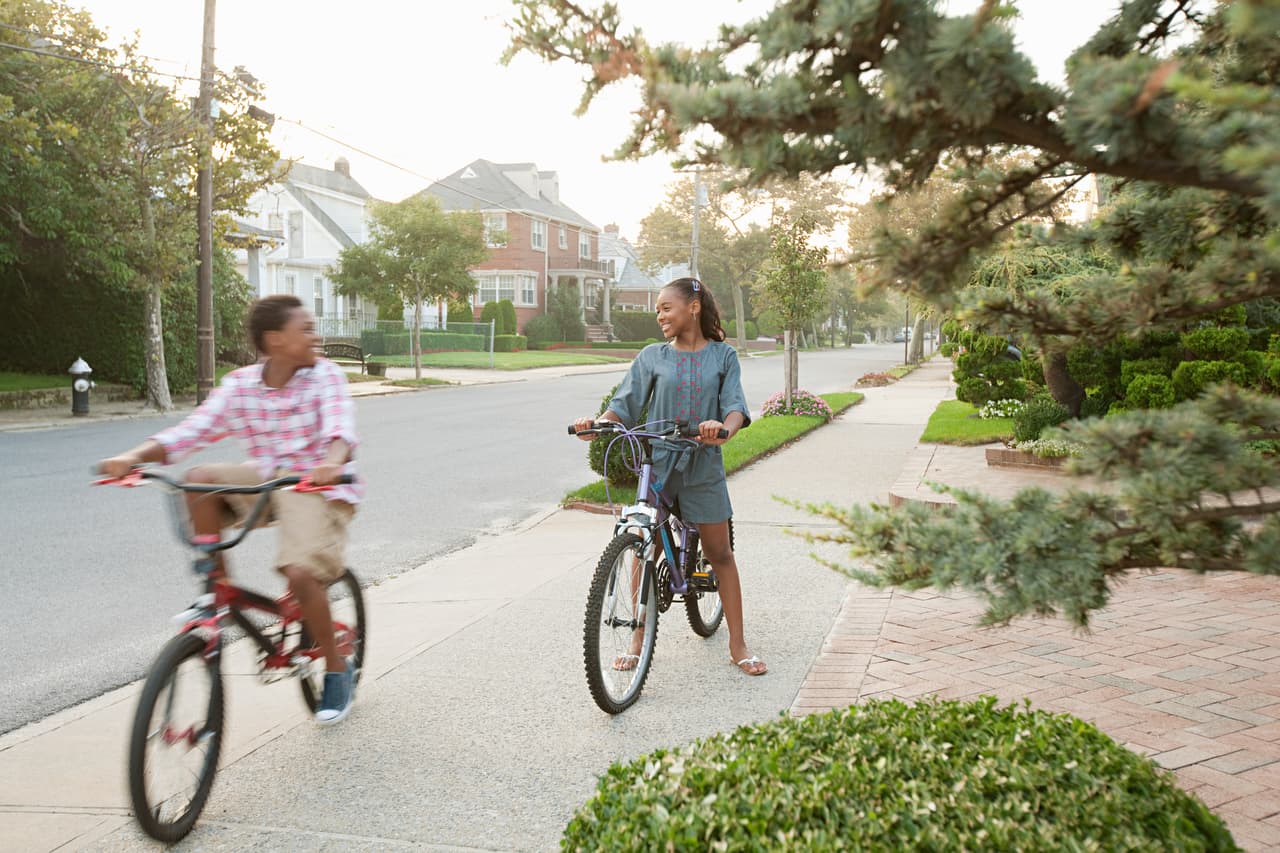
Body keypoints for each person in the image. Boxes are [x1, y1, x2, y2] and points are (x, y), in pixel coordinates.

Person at [98, 294, 363, 723]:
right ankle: (216, 589)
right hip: (267, 479)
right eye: (306, 329)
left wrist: (332, 462)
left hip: (314, 484)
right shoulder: (241, 386)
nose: (316, 336)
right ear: (275, 341)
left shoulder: (325, 376)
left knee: (300, 572)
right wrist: (133, 457)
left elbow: (340, 429)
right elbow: (192, 431)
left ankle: (336, 669)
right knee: (199, 478)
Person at [574, 277, 767, 676]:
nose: (660, 316)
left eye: (666, 308)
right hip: (658, 465)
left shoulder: (723, 356)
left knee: (719, 554)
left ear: (692, 308)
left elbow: (735, 406)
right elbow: (624, 404)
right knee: (644, 546)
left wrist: (723, 429)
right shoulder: (652, 356)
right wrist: (599, 424)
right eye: (657, 310)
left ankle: (738, 644)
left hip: (702, 464)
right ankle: (637, 639)